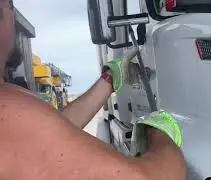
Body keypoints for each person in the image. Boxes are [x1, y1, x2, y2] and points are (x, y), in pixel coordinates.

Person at [0, 0, 186, 179]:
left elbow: (43, 135)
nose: (15, 14)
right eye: (9, 4)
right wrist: (158, 133)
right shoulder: (6, 108)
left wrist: (109, 80)